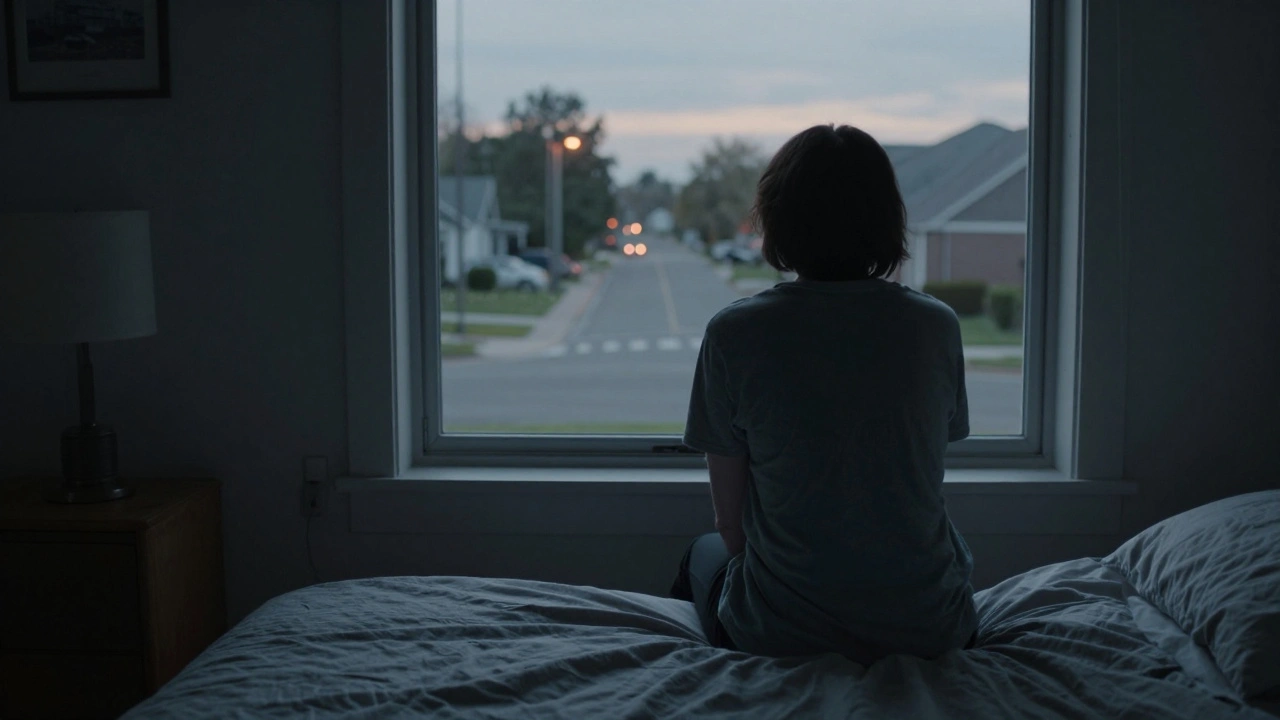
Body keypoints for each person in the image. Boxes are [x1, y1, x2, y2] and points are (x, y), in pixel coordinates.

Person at [669, 124, 977, 664]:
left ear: (778, 220)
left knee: (702, 553)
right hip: (932, 628)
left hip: (782, 635)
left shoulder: (736, 333)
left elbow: (730, 525)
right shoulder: (935, 326)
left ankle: (699, 682)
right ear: (886, 221)